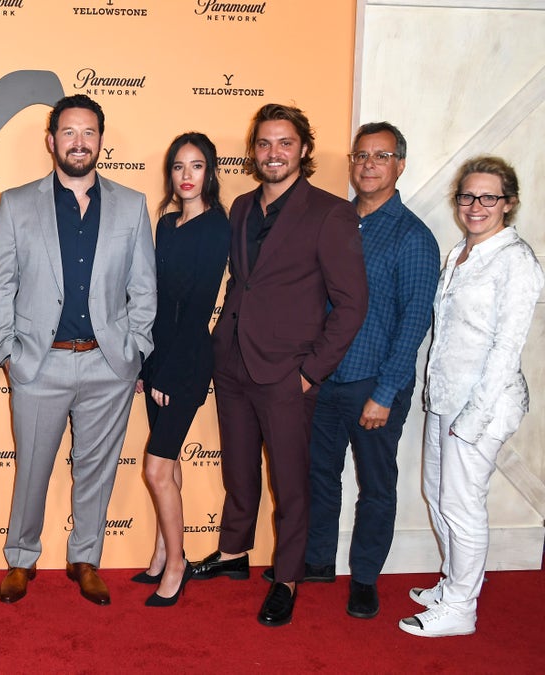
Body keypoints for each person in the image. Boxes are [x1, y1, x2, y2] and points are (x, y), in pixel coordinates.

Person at [190, 103, 368, 627]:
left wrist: (311, 371)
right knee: (239, 468)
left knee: (291, 482)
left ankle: (287, 577)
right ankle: (233, 553)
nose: (273, 153)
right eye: (264, 144)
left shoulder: (331, 212)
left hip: (289, 372)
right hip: (234, 363)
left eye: (284, 143)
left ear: (304, 150)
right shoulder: (242, 206)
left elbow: (352, 304)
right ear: (253, 151)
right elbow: (242, 282)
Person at [0, 94, 157, 606]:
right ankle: (21, 558)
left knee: (98, 468)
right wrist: (8, 353)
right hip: (39, 363)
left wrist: (135, 349)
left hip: (109, 365)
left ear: (101, 141)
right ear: (51, 140)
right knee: (33, 468)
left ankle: (86, 558)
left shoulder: (131, 204)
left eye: (88, 133)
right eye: (68, 132)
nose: (78, 142)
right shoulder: (17, 203)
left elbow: (144, 287)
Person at [292, 122, 438, 619]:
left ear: (400, 164)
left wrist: (388, 390)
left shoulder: (413, 236)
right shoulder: (334, 220)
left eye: (381, 156)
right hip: (324, 380)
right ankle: (315, 562)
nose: (368, 165)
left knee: (376, 486)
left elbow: (416, 318)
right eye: (360, 155)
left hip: (374, 385)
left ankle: (366, 579)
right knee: (318, 477)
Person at [400, 156, 543, 638]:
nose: (476, 206)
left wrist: (474, 417)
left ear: (509, 203)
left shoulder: (516, 260)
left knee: (463, 504)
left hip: (483, 405)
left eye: (489, 197)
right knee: (439, 495)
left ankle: (462, 608)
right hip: (445, 397)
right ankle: (456, 583)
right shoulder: (460, 251)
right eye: (467, 196)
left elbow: (507, 346)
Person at [129, 132, 229, 607]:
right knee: (169, 466)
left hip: (187, 361)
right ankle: (162, 551)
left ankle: (176, 565)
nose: (186, 176)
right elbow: (156, 303)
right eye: (178, 167)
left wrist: (167, 371)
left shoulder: (216, 228)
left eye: (196, 166)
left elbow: (193, 310)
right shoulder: (166, 224)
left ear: (210, 172)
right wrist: (147, 363)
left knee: (156, 468)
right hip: (159, 356)